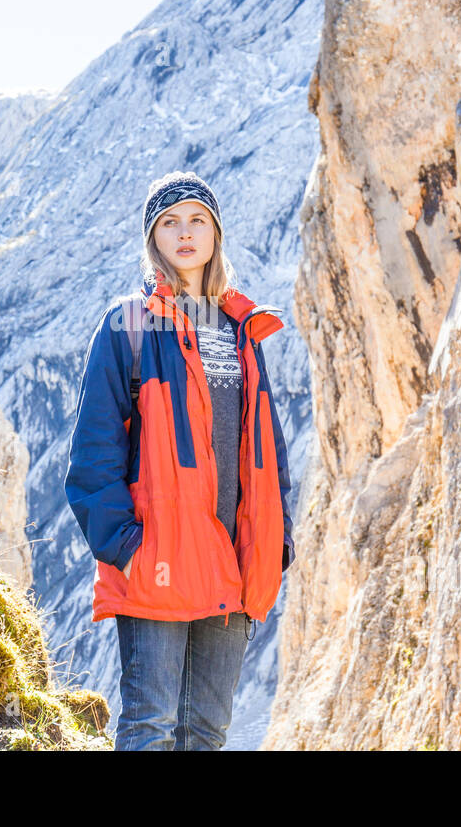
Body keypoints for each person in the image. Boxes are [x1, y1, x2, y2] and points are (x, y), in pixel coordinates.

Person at [64, 170, 295, 751]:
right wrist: (125, 546)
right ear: (153, 238)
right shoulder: (130, 324)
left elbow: (267, 451)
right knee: (150, 727)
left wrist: (277, 538)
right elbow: (93, 453)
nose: (184, 233)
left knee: (207, 733)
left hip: (235, 561)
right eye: (169, 221)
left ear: (216, 234)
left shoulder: (245, 329)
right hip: (159, 556)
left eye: (197, 220)